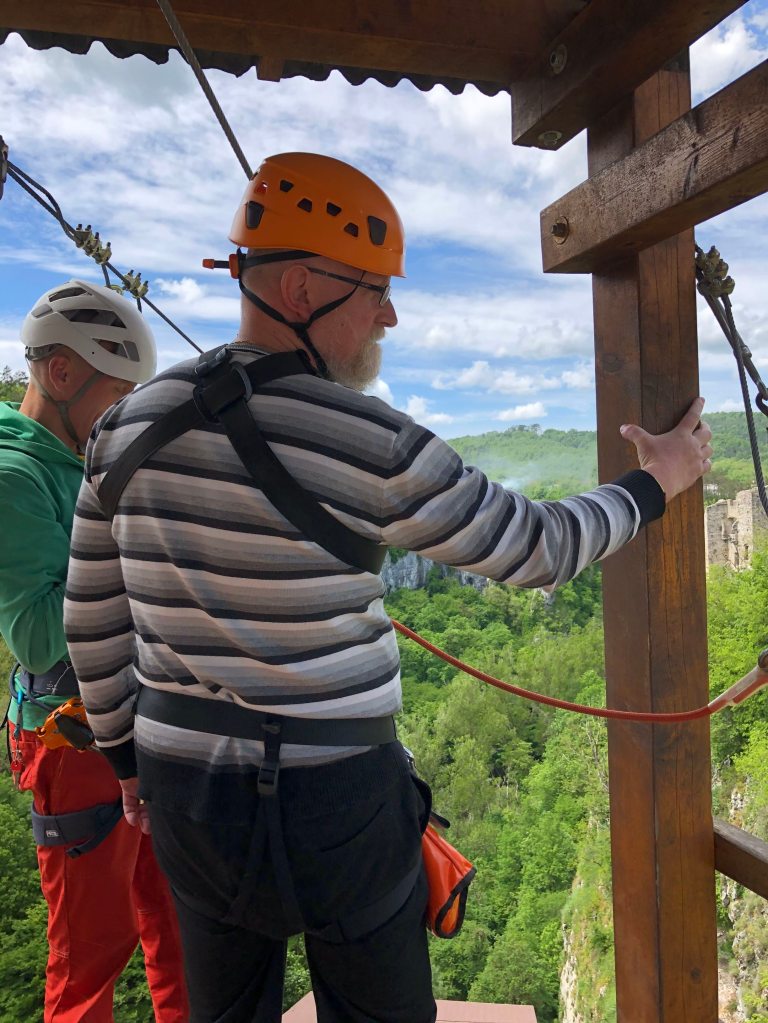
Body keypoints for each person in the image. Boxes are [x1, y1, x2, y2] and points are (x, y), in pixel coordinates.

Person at [62, 153, 713, 1023]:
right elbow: (539, 546)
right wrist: (657, 481)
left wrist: (124, 760)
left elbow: (93, 620)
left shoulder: (123, 429)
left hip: (186, 790)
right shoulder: (370, 438)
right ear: (301, 288)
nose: (389, 314)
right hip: (337, 794)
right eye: (374, 289)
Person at [1, 279, 189, 1023]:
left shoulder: (83, 460)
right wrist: (153, 558)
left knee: (179, 925)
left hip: (136, 720)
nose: (125, 414)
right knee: (89, 959)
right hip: (72, 736)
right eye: (117, 394)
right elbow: (41, 634)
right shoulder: (13, 477)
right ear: (62, 373)